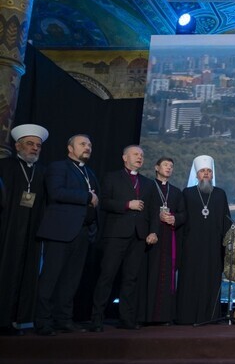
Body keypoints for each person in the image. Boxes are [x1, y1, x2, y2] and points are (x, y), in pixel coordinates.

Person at [35, 134, 100, 336]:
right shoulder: (58, 167)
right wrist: (87, 196)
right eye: (82, 144)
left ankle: (63, 319)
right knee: (50, 278)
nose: (87, 147)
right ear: (70, 148)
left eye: (89, 144)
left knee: (71, 281)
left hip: (82, 232)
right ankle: (42, 321)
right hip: (60, 231)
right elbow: (56, 193)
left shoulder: (89, 172)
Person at [89, 146, 153, 331]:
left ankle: (126, 319)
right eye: (136, 154)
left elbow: (151, 211)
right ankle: (97, 318)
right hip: (116, 234)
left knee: (130, 279)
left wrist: (152, 231)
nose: (139, 157)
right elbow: (104, 202)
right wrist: (127, 204)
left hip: (138, 236)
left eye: (141, 155)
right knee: (107, 276)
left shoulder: (147, 183)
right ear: (125, 157)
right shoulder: (112, 177)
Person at [0, 124, 48, 335]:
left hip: (31, 230)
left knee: (26, 272)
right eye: (30, 144)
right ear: (18, 145)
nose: (34, 148)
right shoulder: (4, 166)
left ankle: (17, 319)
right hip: (6, 229)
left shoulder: (43, 172)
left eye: (38, 145)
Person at [176, 155, 231, 325]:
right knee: (190, 280)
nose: (206, 174)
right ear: (197, 175)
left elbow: (226, 221)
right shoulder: (187, 193)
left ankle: (210, 316)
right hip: (191, 246)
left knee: (211, 280)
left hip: (214, 247)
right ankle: (186, 316)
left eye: (209, 171)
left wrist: (226, 246)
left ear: (212, 174)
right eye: (202, 171)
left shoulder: (220, 194)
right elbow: (182, 220)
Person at [137, 157, 186, 325]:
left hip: (169, 237)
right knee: (148, 275)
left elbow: (183, 214)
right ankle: (144, 316)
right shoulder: (147, 187)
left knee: (166, 276)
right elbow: (143, 211)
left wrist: (174, 218)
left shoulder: (176, 192)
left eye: (171, 166)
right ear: (156, 167)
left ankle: (164, 317)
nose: (169, 168)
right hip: (150, 237)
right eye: (165, 165)